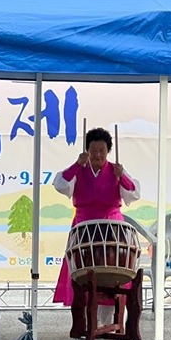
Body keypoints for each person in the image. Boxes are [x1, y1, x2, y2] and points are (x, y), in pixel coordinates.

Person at [52, 127, 140, 325]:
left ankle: (108, 323)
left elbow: (133, 194)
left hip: (111, 230)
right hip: (84, 228)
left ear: (108, 151)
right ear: (87, 151)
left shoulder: (116, 170)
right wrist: (77, 164)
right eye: (93, 150)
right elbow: (59, 184)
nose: (97, 154)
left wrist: (122, 176)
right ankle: (84, 323)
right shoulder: (79, 169)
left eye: (101, 150)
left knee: (111, 273)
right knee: (83, 275)